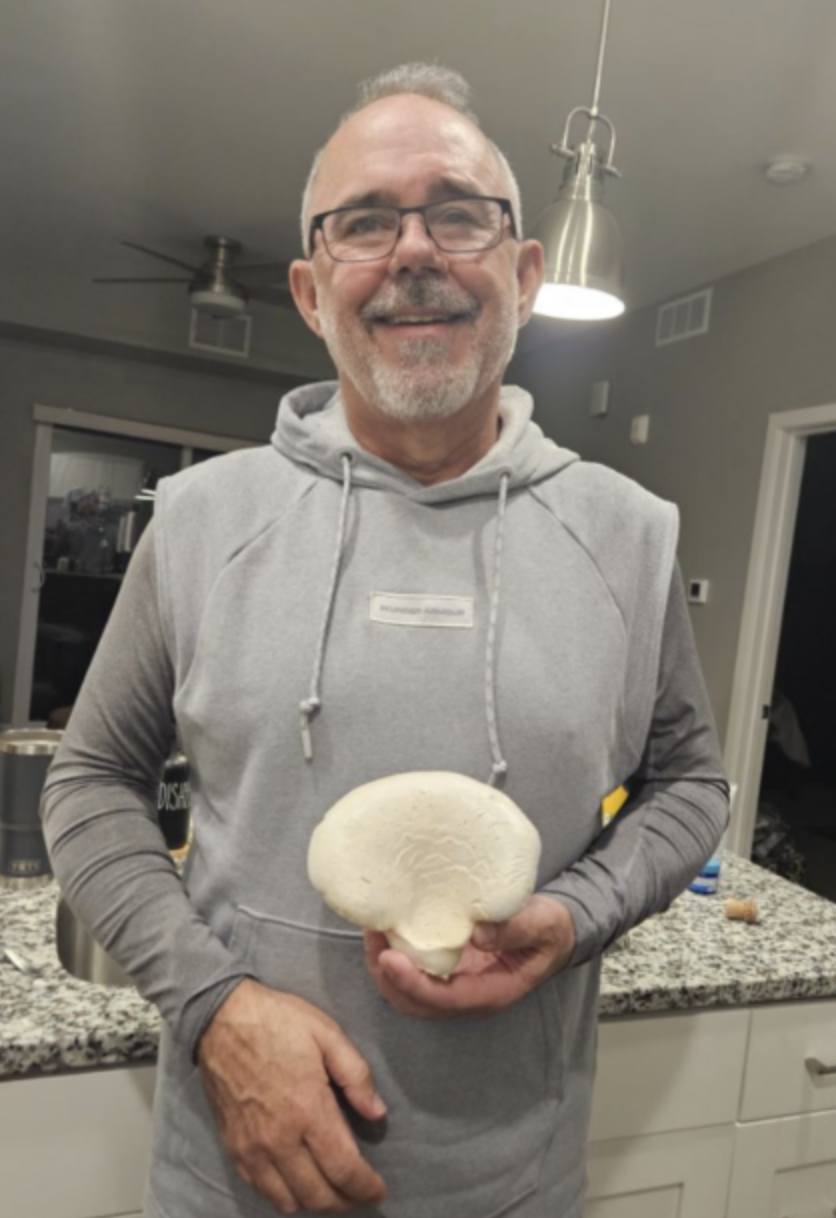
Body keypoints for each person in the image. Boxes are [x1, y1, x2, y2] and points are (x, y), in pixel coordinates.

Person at [42, 63, 729, 1218]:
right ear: (311, 292)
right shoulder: (201, 519)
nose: (413, 251)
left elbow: (689, 784)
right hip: (228, 1178)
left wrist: (573, 918)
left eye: (456, 213)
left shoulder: (629, 533)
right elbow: (90, 778)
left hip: (513, 1181)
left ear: (522, 275)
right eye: (364, 222)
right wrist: (214, 1008)